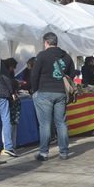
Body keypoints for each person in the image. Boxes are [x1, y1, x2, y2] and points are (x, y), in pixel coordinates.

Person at [31, 31, 75, 161]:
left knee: (45, 124)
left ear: (46, 42)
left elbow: (34, 75)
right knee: (61, 123)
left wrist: (34, 90)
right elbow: (72, 74)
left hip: (44, 92)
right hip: (60, 92)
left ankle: (44, 153)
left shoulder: (42, 56)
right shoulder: (66, 56)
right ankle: (64, 152)